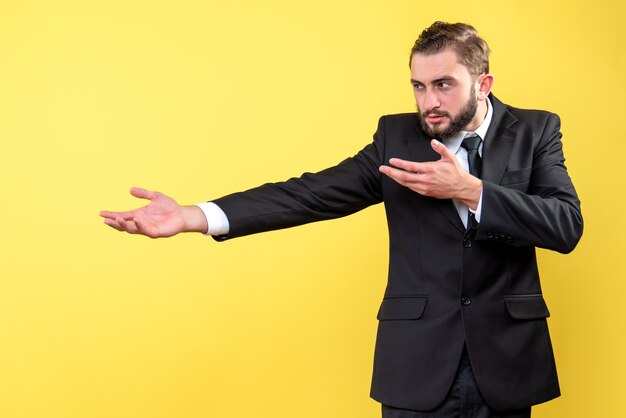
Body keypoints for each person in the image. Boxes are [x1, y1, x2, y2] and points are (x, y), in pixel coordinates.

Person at [100, 22, 583, 418]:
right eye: (418, 85)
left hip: (505, 362)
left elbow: (565, 225)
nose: (429, 102)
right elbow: (312, 193)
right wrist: (194, 215)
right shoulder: (397, 138)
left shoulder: (536, 131)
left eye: (443, 85)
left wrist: (472, 191)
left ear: (483, 84)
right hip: (416, 364)